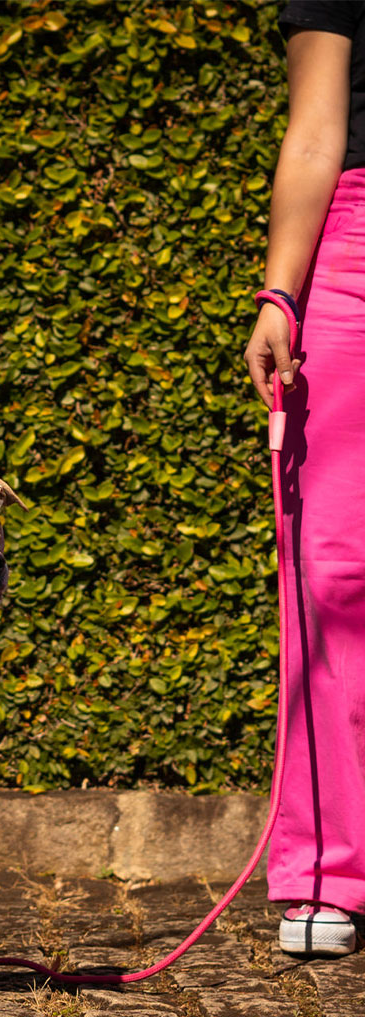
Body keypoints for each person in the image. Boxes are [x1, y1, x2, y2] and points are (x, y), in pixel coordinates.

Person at [243, 1, 365, 957]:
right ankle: (328, 868)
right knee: (331, 570)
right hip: (356, 252)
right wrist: (282, 289)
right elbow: (317, 125)